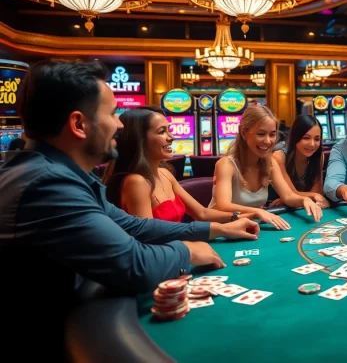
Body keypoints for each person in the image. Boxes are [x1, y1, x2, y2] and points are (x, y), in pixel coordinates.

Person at [0, 60, 259, 360]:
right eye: (112, 114)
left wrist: (215, 229)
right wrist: (188, 252)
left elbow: (134, 226)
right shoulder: (48, 185)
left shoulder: (57, 172)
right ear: (78, 124)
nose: (121, 125)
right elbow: (135, 265)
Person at [102, 107, 260, 223]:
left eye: (169, 130)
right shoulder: (136, 182)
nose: (171, 137)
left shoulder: (165, 173)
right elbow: (149, 237)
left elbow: (202, 214)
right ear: (139, 139)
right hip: (162, 257)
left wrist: (248, 215)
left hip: (177, 245)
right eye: (161, 131)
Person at [210, 105, 323, 228]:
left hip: (250, 227)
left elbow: (288, 196)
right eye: (261, 134)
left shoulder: (270, 163)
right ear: (243, 133)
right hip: (220, 229)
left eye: (272, 134)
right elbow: (223, 206)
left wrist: (303, 200)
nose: (268, 141)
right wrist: (258, 211)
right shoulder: (226, 164)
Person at [269, 114, 330, 209]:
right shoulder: (279, 157)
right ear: (295, 137)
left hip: (302, 208)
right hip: (277, 210)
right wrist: (313, 196)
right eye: (306, 138)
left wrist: (313, 196)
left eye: (317, 139)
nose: (312, 144)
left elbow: (317, 192)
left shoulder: (319, 156)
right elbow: (291, 194)